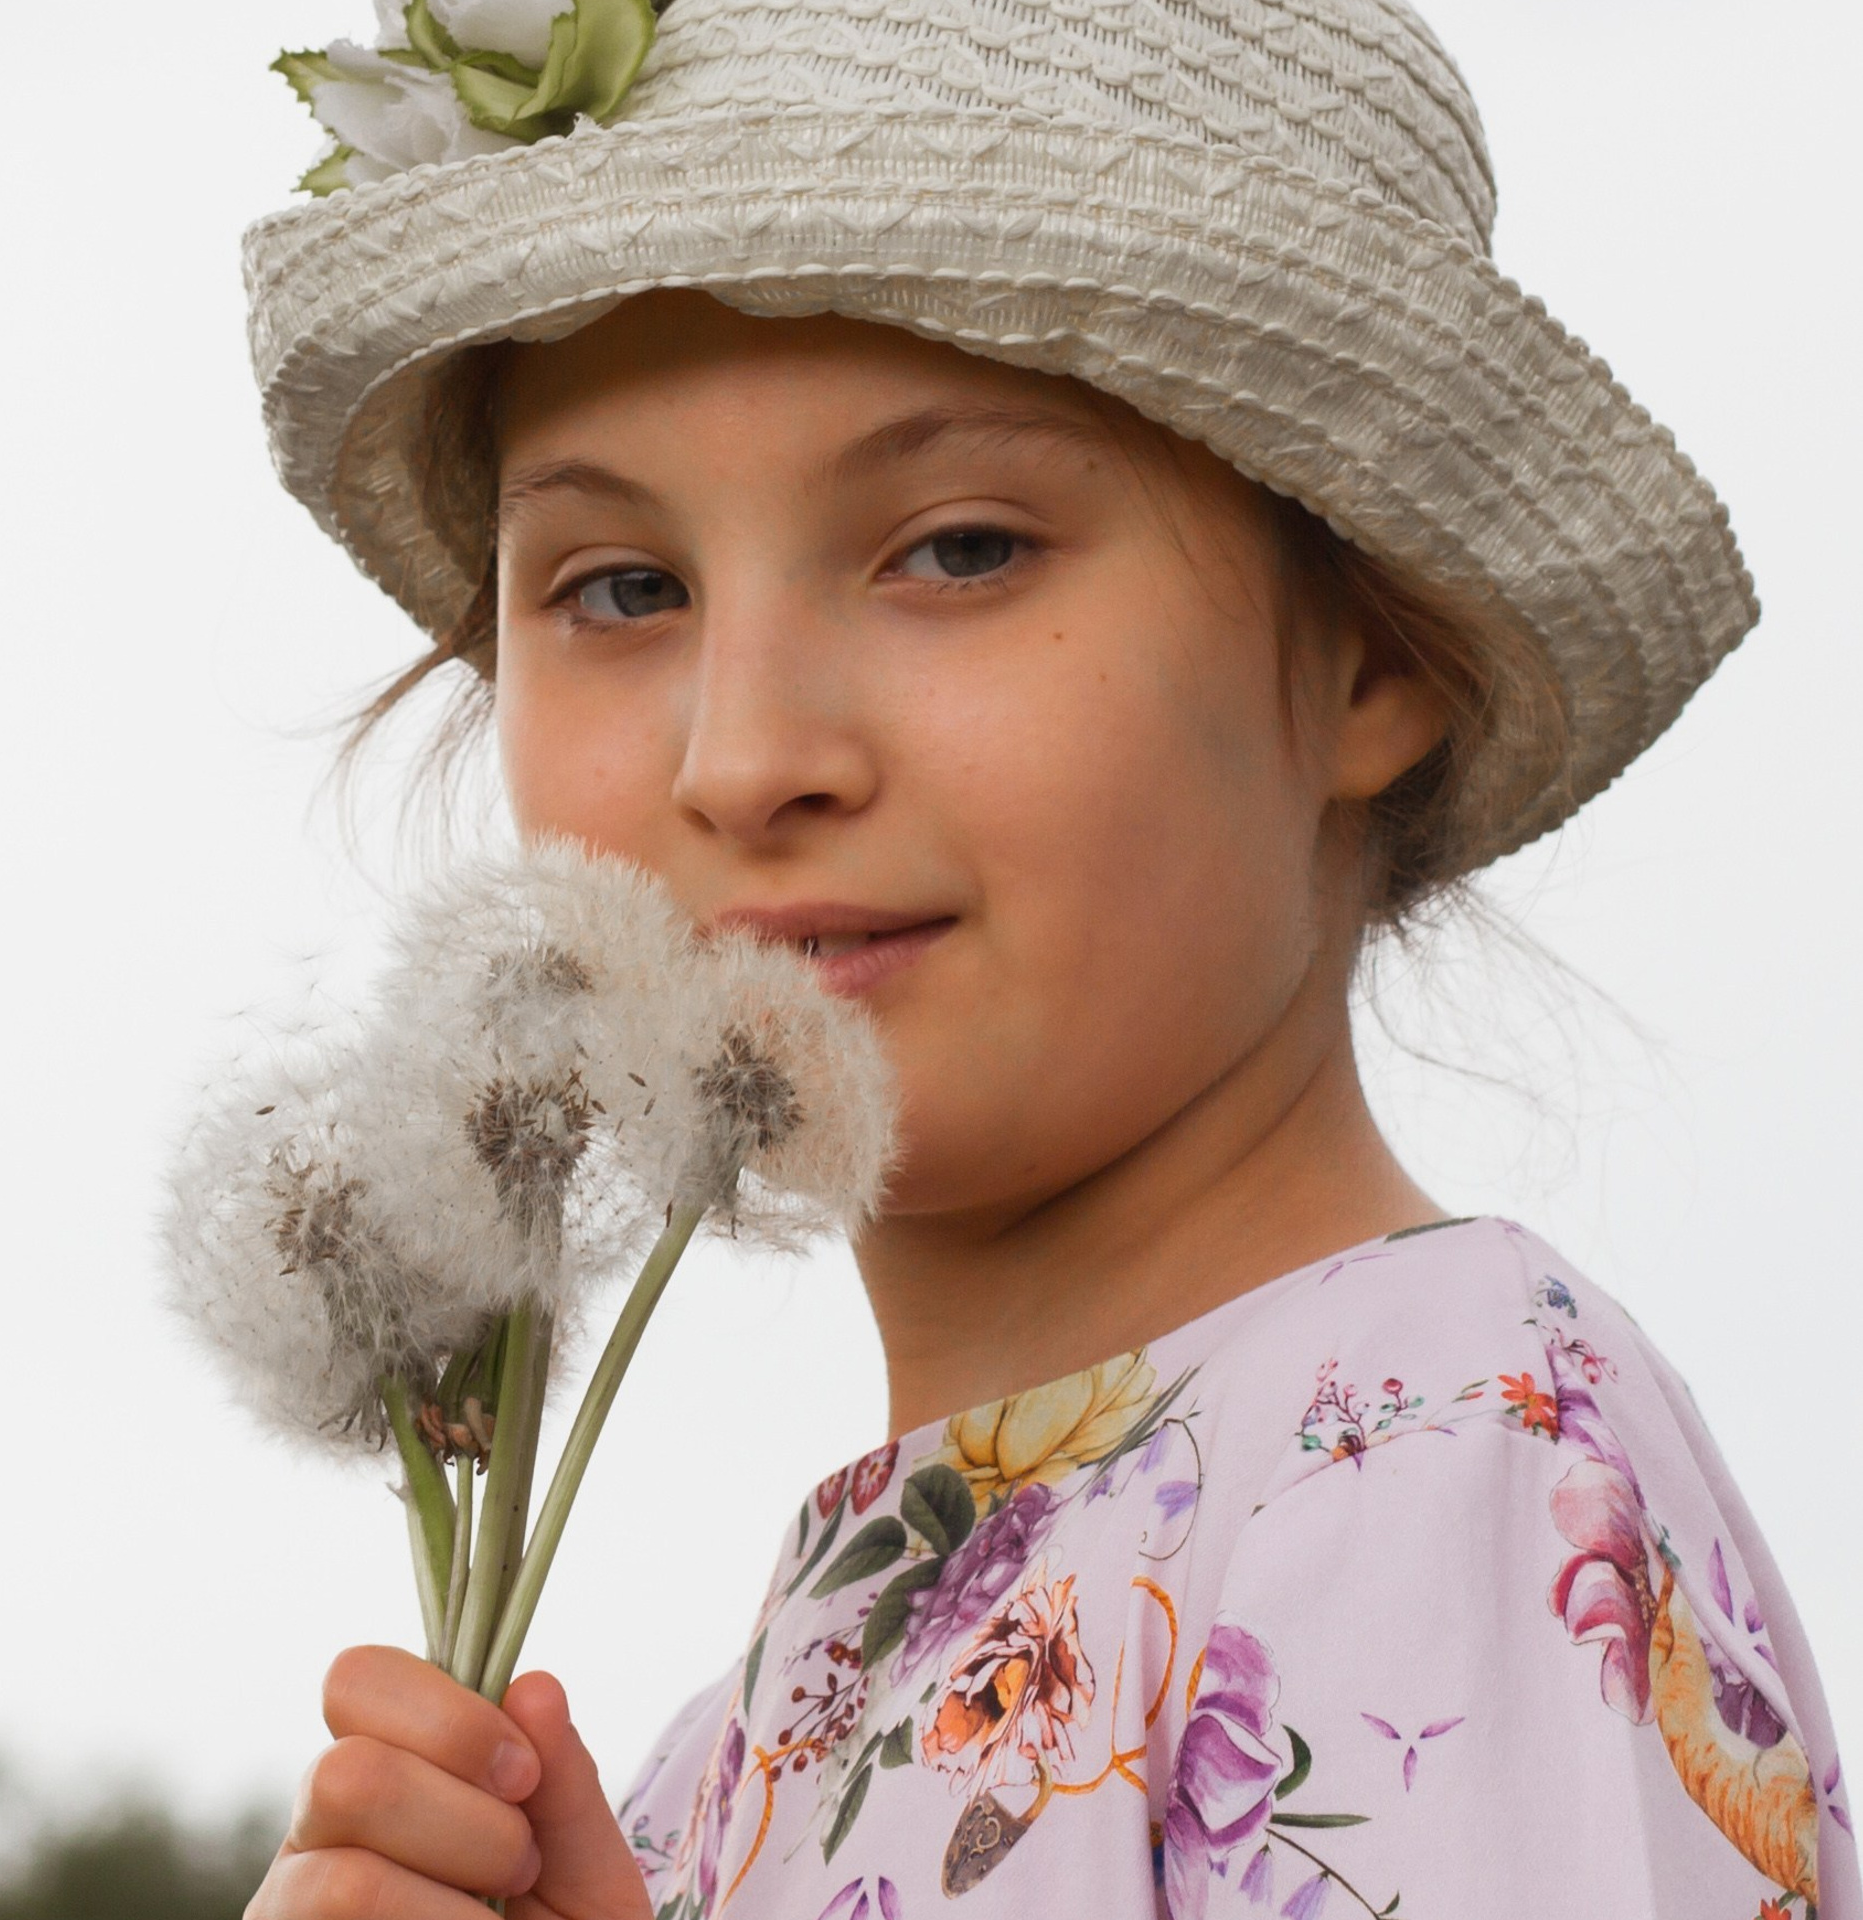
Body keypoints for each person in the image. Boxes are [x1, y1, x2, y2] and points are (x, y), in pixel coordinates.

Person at [240, 2, 1858, 1915]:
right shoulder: (703, 1763)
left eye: (961, 551)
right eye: (623, 589)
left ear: (1377, 651)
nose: (745, 758)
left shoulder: (1438, 1458)